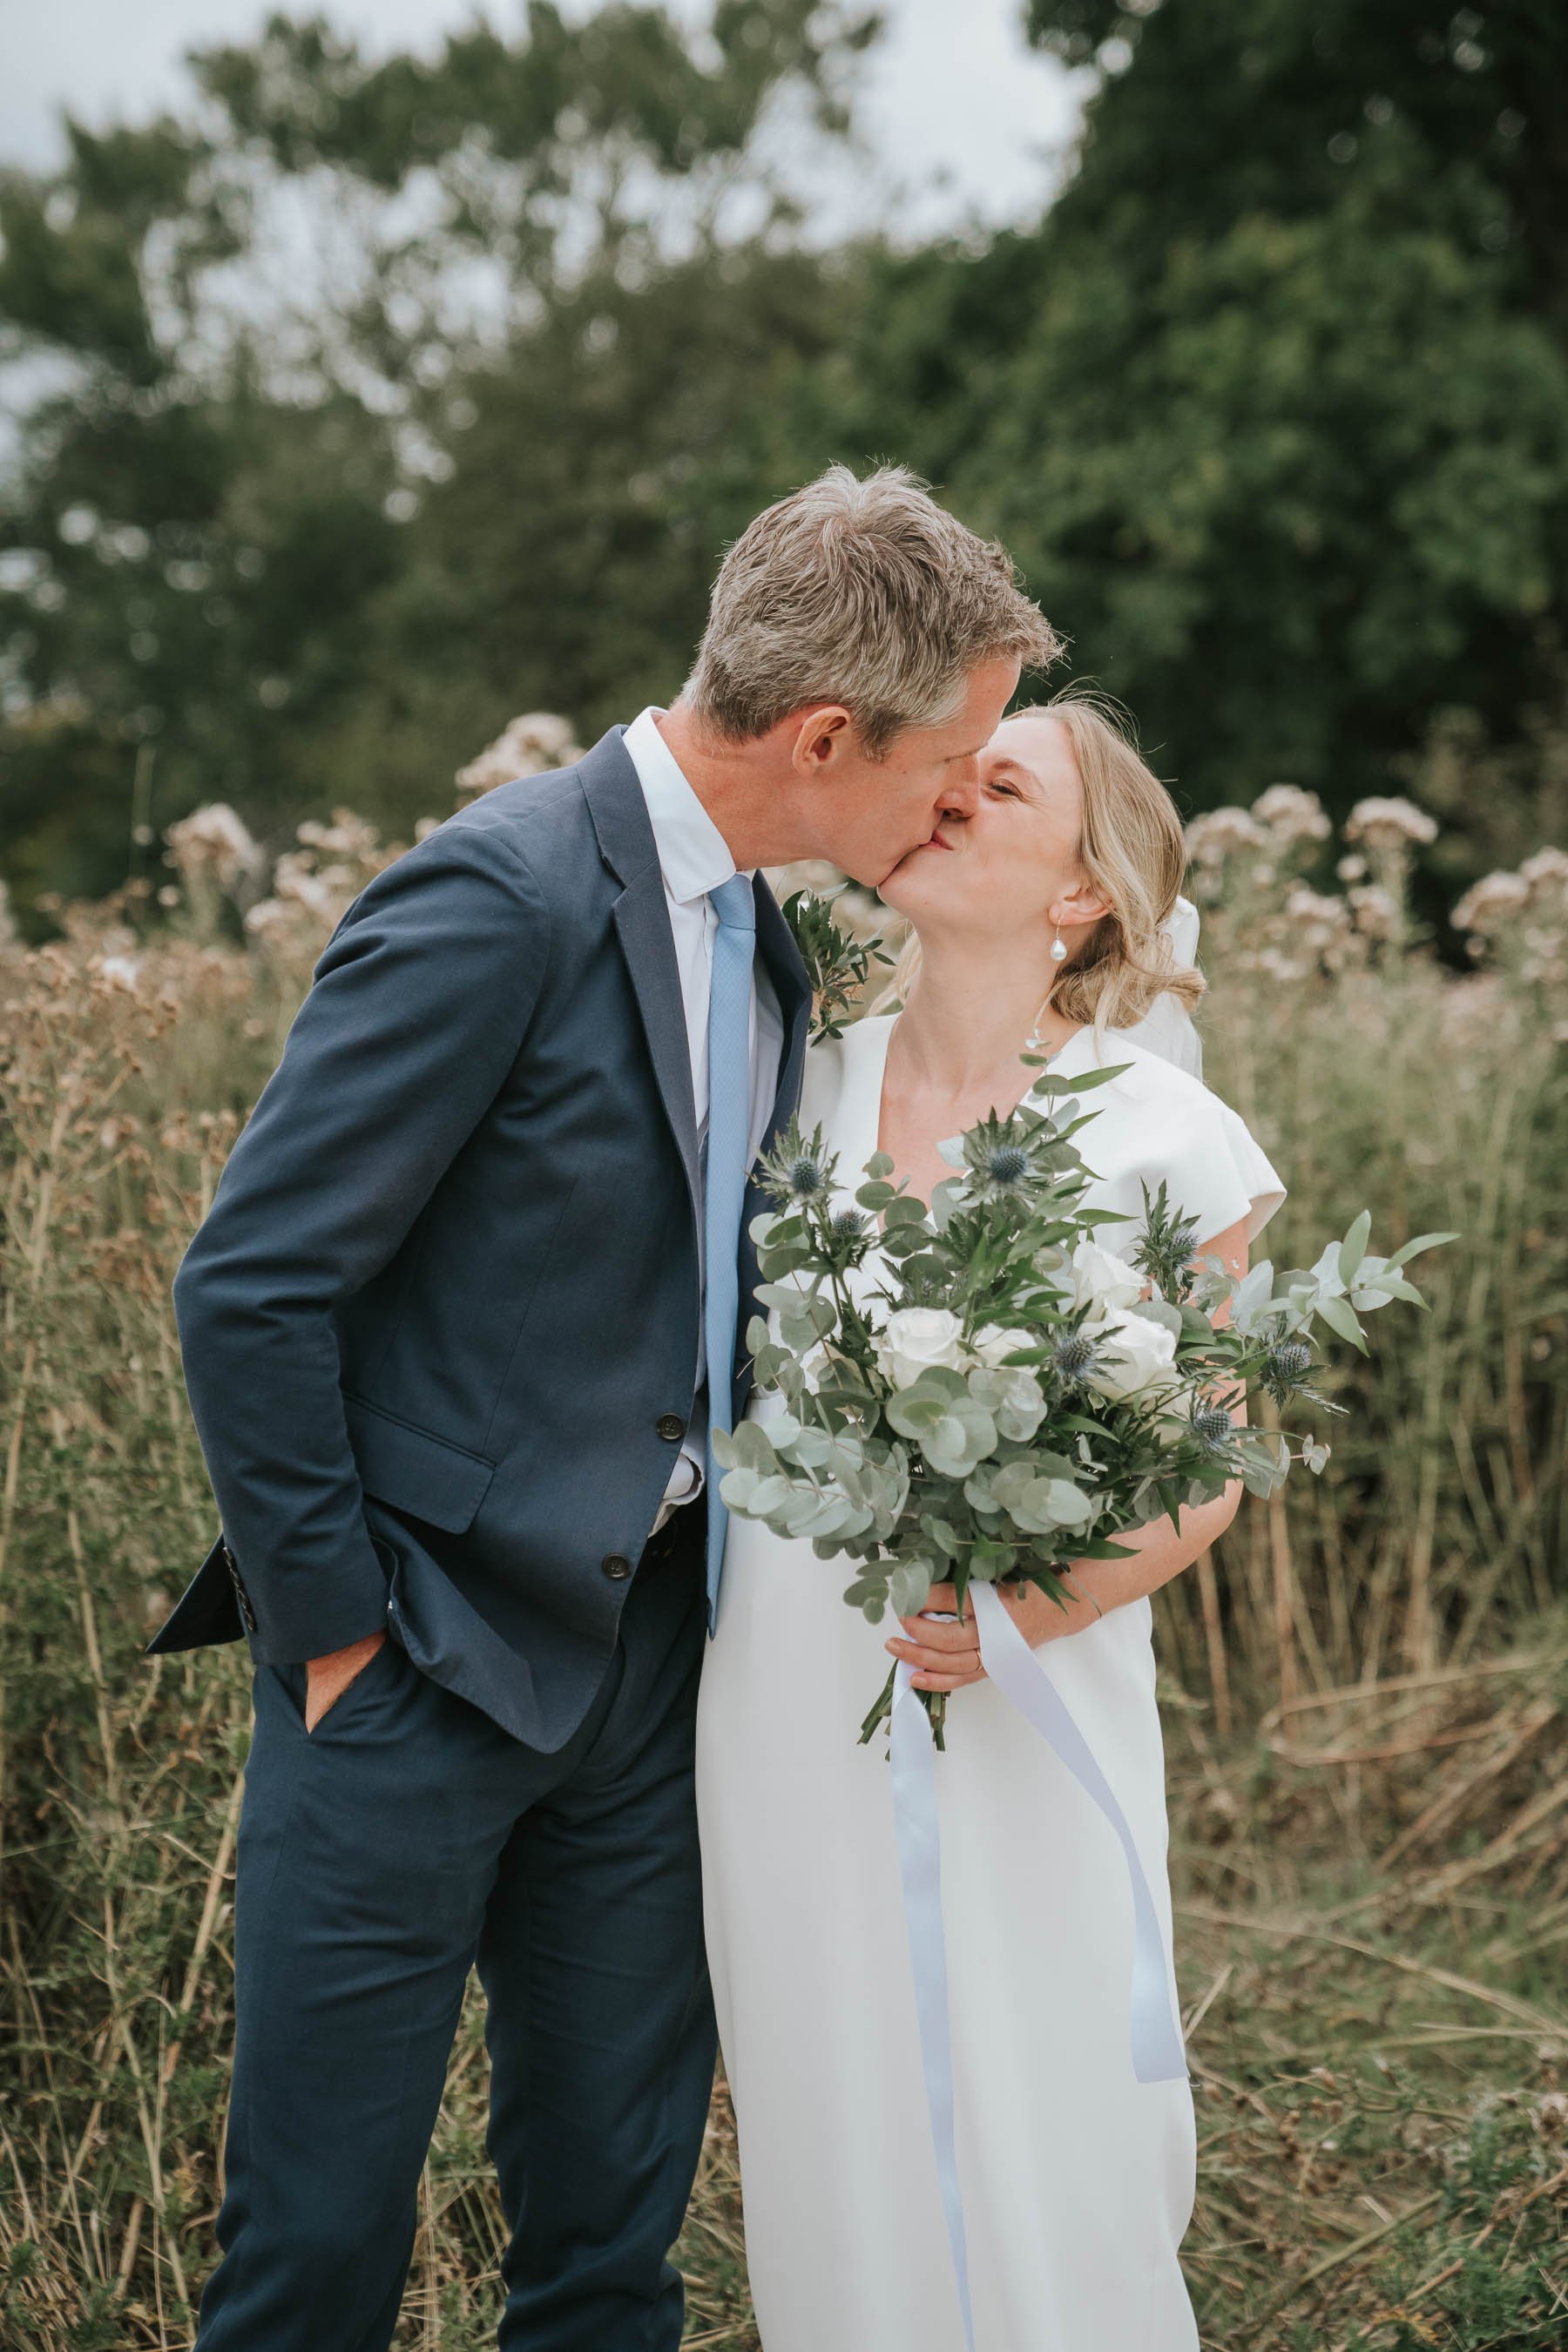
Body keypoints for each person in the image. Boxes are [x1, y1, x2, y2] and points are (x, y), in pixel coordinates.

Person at [147, 464, 1060, 2349]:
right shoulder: (499, 894)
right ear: (827, 733)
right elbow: (249, 1284)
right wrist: (331, 1639)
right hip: (409, 1665)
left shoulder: (781, 946)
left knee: (604, 2247)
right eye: (948, 763)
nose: (964, 799)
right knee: (315, 2253)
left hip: (652, 1681)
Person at [696, 690, 1287, 2352]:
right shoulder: (793, 1079)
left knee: (1042, 2108)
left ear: (1082, 889)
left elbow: (1215, 1461)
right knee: (832, 2100)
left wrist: (1028, 1617)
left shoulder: (1172, 1141)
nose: (948, 792)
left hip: (1028, 1684)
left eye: (1000, 782)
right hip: (787, 1687)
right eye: (949, 767)